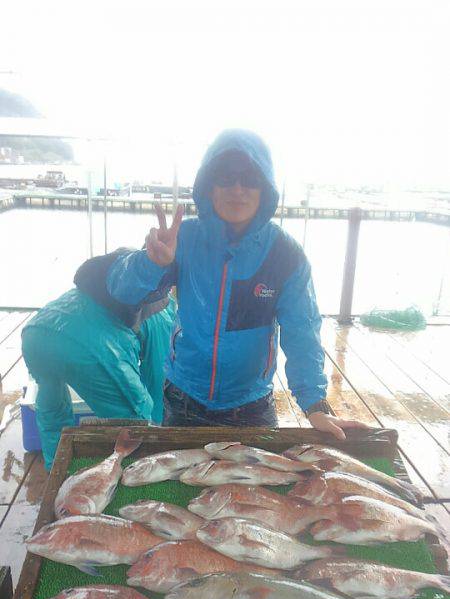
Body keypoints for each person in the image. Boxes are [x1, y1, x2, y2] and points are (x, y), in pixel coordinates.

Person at [105, 129, 367, 437]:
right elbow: (122, 291)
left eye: (250, 179)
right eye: (226, 177)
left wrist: (316, 405)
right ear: (209, 186)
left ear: (265, 189)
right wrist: (151, 263)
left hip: (252, 406)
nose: (238, 189)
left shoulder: (286, 254)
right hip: (183, 399)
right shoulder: (181, 239)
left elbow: (302, 332)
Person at [22, 249, 176, 470]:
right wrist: (158, 427)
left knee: (52, 406)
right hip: (89, 348)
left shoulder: (124, 273)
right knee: (135, 422)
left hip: (36, 333)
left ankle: (56, 469)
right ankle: (134, 476)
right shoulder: (164, 310)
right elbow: (157, 376)